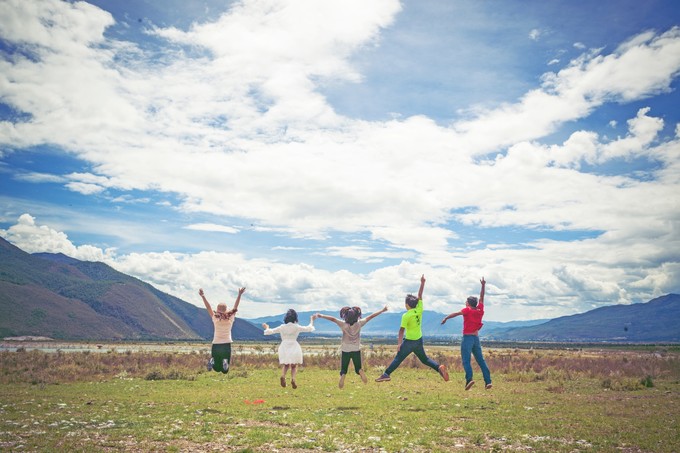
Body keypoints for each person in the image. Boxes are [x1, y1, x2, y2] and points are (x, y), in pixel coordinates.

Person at [375, 274, 449, 382]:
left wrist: (399, 344)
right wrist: (422, 283)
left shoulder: (406, 315)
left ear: (408, 305)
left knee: (398, 358)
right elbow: (420, 295)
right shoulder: (419, 309)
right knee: (425, 359)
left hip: (409, 342)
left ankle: (386, 374)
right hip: (418, 340)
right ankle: (438, 367)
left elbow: (401, 330)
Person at [315, 305, 388, 389]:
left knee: (344, 369)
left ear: (345, 316)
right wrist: (382, 310)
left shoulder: (343, 324)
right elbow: (371, 316)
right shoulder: (359, 323)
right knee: (358, 368)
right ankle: (360, 371)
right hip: (356, 349)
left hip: (345, 349)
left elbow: (333, 319)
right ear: (357, 316)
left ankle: (343, 375)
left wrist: (321, 316)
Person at [441, 277, 492, 390]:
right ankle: (488, 381)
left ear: (468, 303)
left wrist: (446, 318)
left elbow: (456, 313)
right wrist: (483, 285)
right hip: (476, 339)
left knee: (466, 360)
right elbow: (482, 298)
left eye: (466, 302)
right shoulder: (480, 311)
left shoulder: (467, 310)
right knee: (481, 361)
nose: (465, 303)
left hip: (467, 338)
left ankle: (469, 380)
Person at [263, 310, 317, 389]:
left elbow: (269, 331)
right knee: (294, 366)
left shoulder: (282, 327)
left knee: (286, 365)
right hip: (294, 345)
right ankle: (293, 379)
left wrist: (266, 327)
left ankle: (283, 376)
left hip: (284, 346)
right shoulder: (297, 327)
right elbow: (309, 328)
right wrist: (312, 319)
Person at [199, 286, 245, 374]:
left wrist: (203, 296)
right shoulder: (230, 318)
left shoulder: (215, 319)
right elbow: (236, 306)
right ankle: (225, 361)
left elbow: (208, 307)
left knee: (216, 368)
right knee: (225, 371)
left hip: (216, 344)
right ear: (226, 310)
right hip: (226, 345)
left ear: (217, 310)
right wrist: (239, 294)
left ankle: (212, 361)